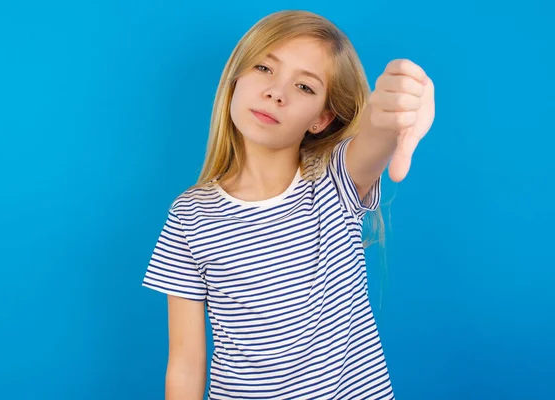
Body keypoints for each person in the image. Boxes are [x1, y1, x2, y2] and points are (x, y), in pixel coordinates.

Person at [142, 9, 435, 400]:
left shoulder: (336, 181)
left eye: (305, 88)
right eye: (264, 68)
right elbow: (185, 362)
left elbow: (376, 138)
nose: (276, 92)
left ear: (321, 119)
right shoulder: (189, 215)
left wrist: (397, 103)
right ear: (236, 79)